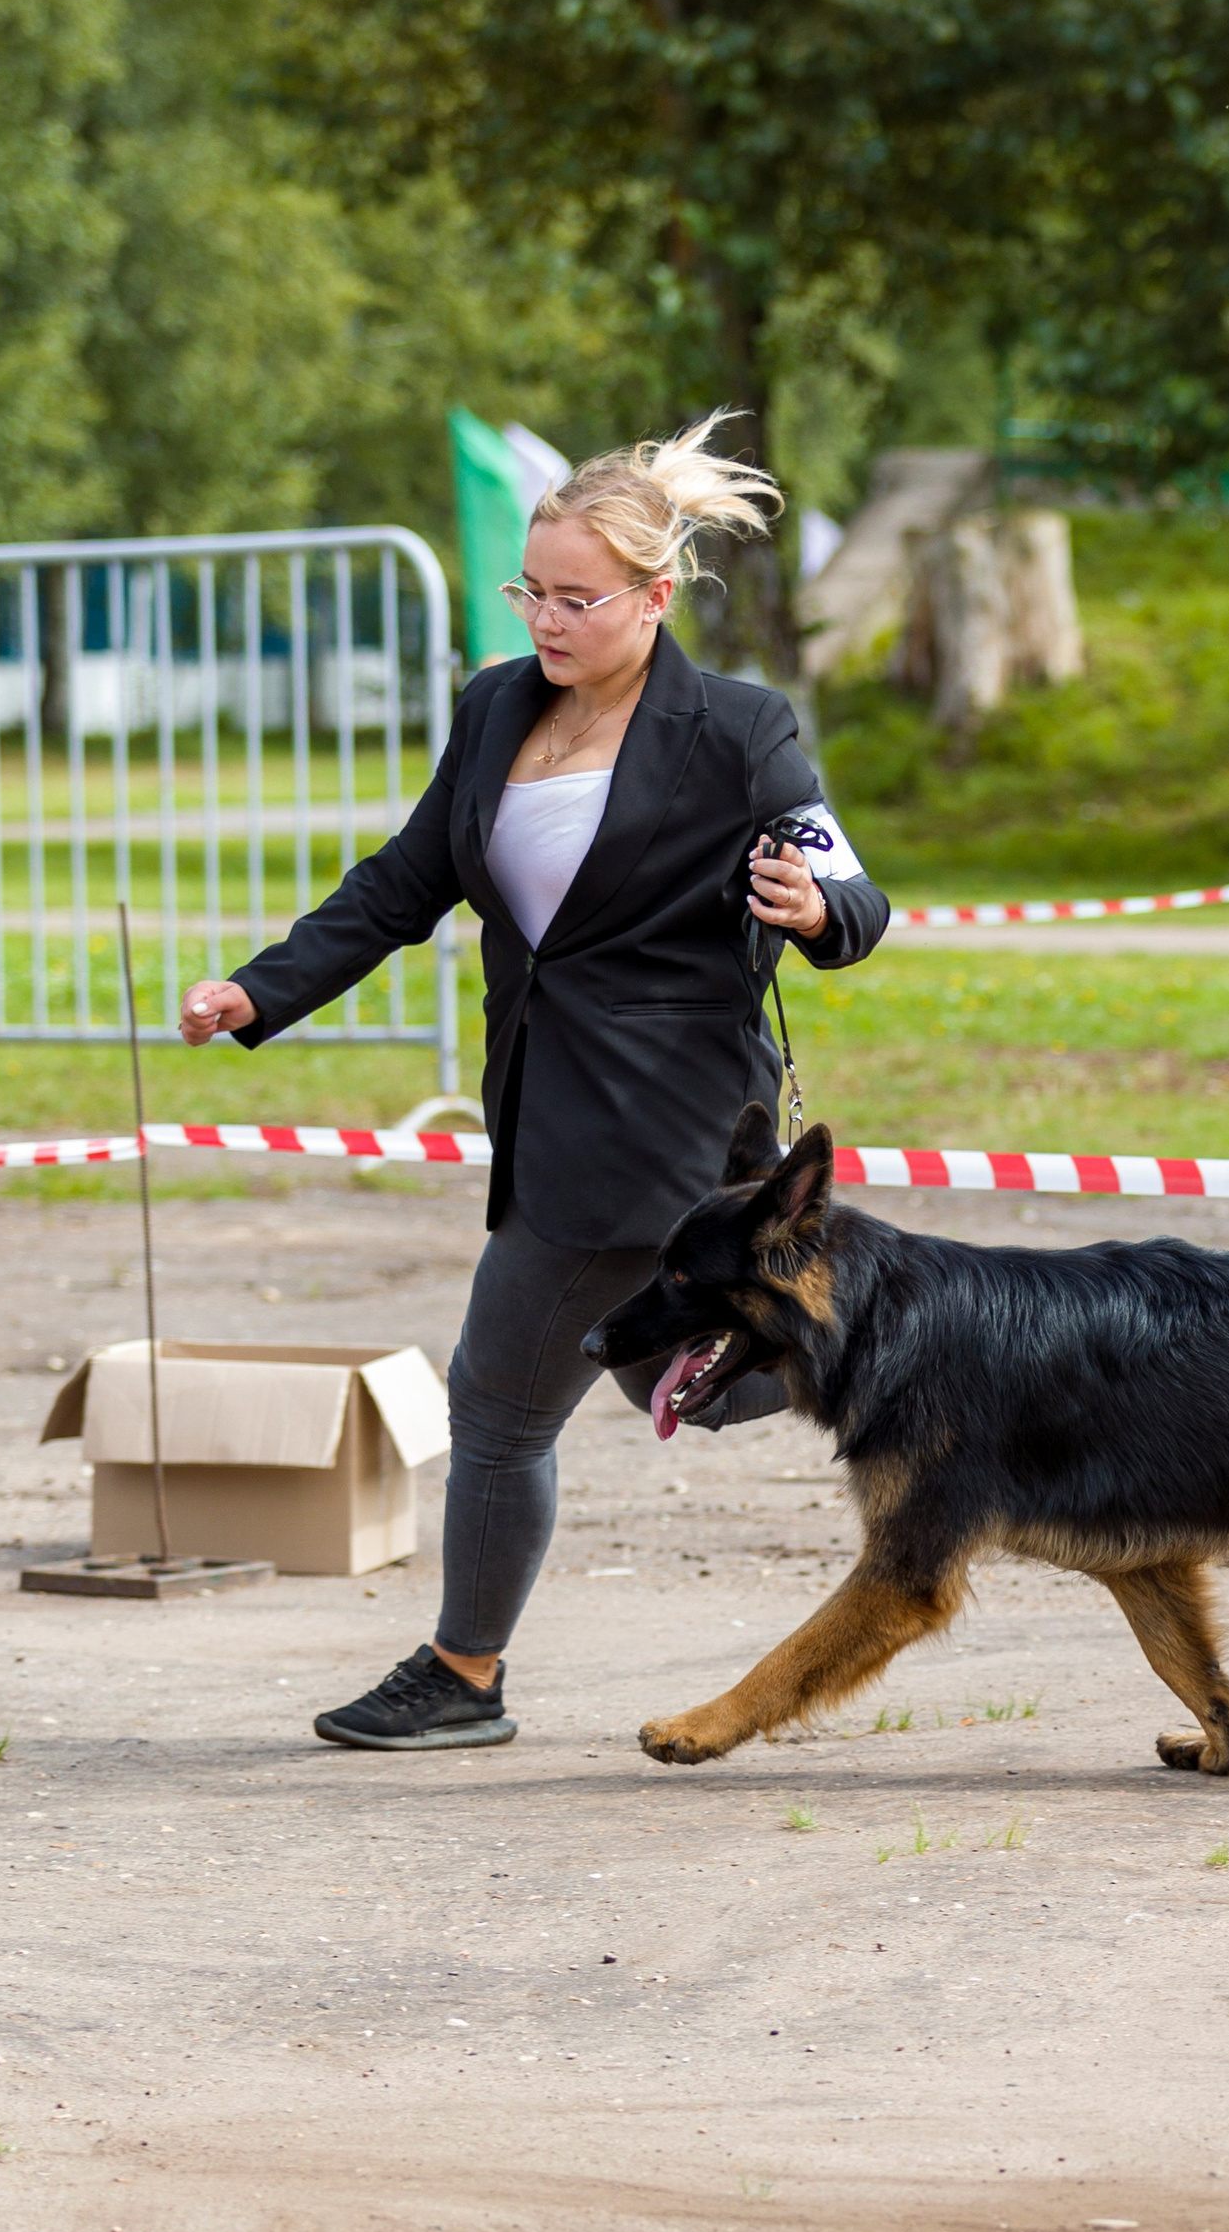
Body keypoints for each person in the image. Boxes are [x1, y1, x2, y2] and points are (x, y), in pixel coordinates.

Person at [177, 417, 889, 1752]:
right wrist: (260, 989)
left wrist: (815, 906)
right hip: (548, 1106)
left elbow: (851, 893)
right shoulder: (497, 706)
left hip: (661, 1121)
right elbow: (405, 880)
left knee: (500, 1399)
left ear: (653, 598)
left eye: (577, 599)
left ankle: (462, 1674)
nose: (547, 620)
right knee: (671, 1375)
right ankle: (917, 1358)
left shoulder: (739, 732)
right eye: (533, 592)